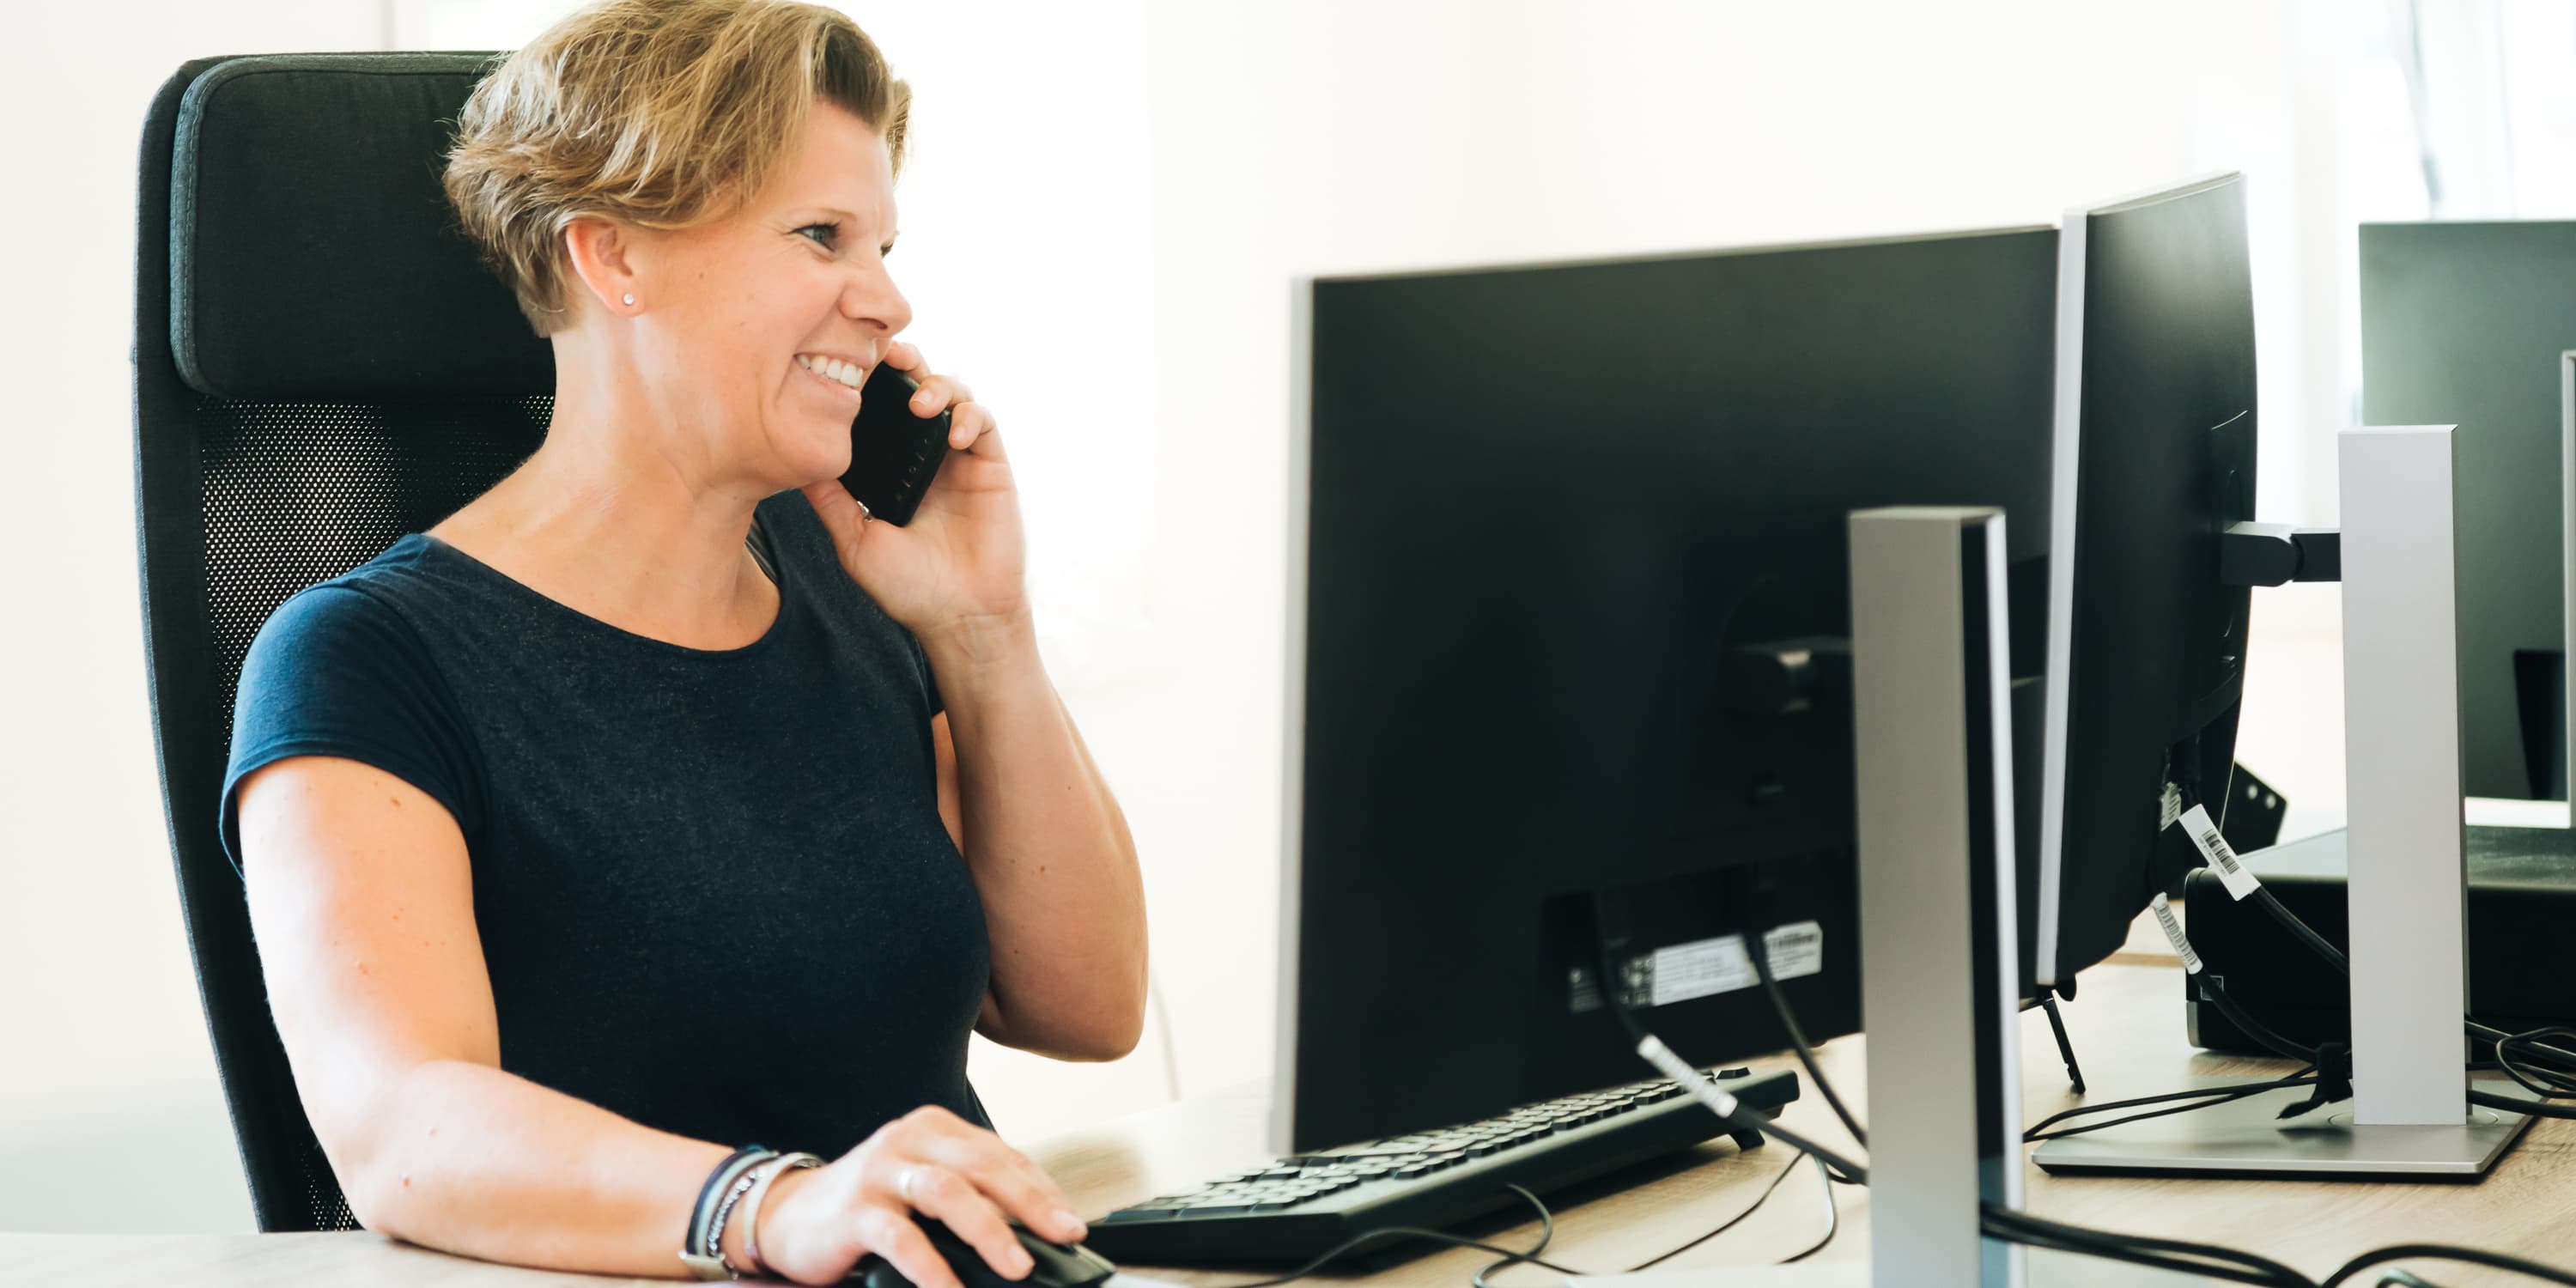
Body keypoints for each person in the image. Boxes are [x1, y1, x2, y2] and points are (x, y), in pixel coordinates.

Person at [220, 3, 1146, 1284]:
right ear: (615, 259)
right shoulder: (365, 657)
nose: (885, 299)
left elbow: (1086, 1007)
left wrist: (984, 631)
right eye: (820, 236)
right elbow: (401, 1128)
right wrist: (772, 1207)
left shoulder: (853, 588)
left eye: (880, 243)